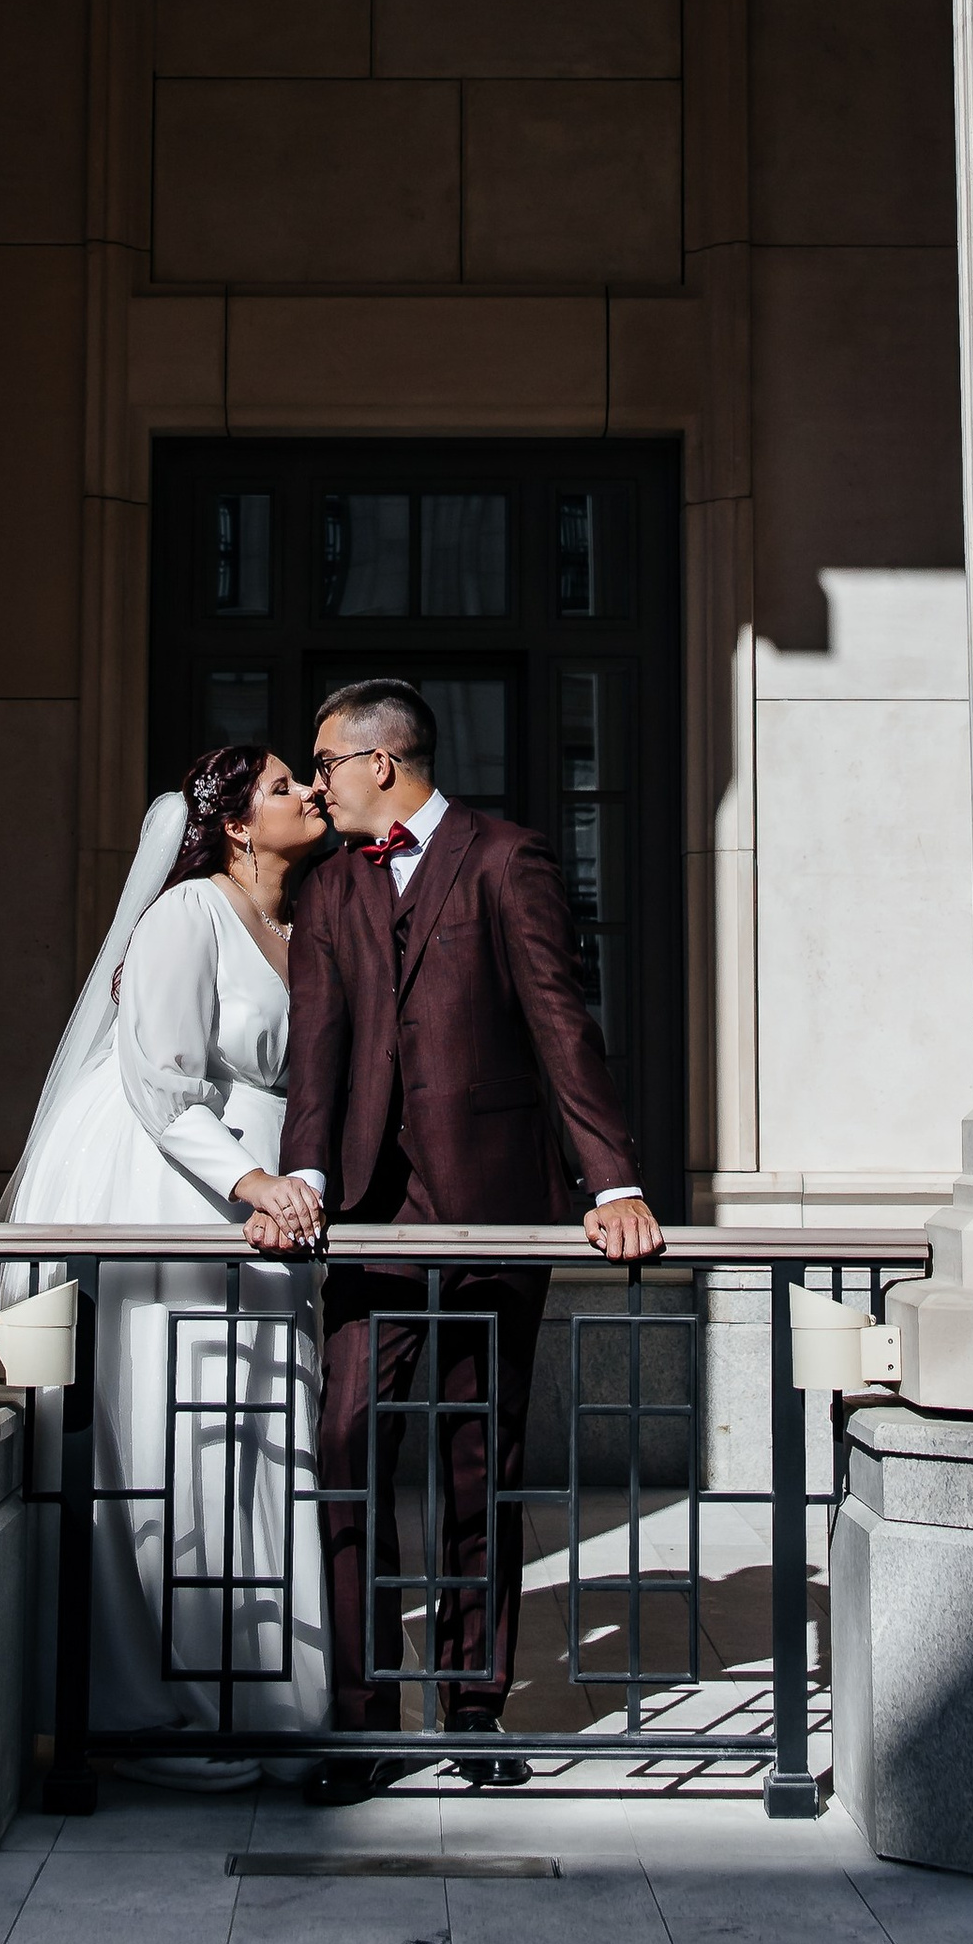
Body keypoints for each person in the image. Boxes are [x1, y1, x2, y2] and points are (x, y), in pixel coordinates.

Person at [265, 675, 662, 1802]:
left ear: (380, 763)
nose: (316, 787)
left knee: (480, 1462)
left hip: (492, 1204)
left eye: (325, 764)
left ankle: (474, 1707)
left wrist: (613, 1180)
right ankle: (361, 1721)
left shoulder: (505, 859)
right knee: (348, 1450)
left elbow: (560, 1024)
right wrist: (305, 1181)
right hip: (368, 1219)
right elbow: (318, 1051)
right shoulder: (330, 888)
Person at [0, 745, 332, 1781]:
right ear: (234, 823)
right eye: (282, 786)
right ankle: (165, 1692)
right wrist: (250, 1182)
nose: (310, 792)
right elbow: (160, 1075)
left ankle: (267, 1690)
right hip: (173, 1183)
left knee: (260, 1425)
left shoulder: (301, 924)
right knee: (185, 1422)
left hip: (269, 1197)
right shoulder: (189, 913)